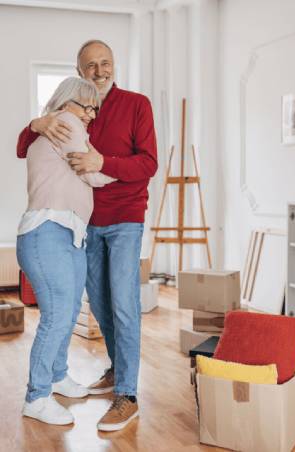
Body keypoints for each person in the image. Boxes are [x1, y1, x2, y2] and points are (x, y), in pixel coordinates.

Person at [17, 40, 158, 432]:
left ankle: (127, 394)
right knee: (99, 304)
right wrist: (35, 123)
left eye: (106, 63)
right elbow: (21, 146)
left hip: (125, 218)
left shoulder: (136, 104)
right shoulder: (69, 116)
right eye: (91, 65)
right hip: (85, 225)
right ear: (80, 74)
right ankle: (115, 370)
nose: (100, 70)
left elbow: (148, 163)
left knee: (125, 304)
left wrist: (103, 162)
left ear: (115, 65)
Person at [17, 77, 116, 425]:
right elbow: (94, 175)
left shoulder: (63, 126)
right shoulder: (64, 123)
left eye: (94, 108)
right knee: (58, 315)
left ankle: (57, 376)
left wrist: (103, 162)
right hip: (48, 232)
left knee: (69, 309)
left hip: (68, 234)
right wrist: (127, 167)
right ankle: (38, 396)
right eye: (85, 105)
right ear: (67, 101)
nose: (90, 114)